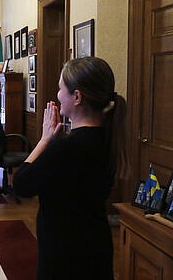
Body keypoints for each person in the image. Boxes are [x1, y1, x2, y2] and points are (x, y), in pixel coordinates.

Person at [13, 57, 127, 280]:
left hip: (66, 252)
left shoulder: (66, 146)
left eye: (60, 88)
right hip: (96, 244)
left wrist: (45, 139)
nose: (57, 95)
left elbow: (21, 185)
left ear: (76, 96)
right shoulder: (108, 137)